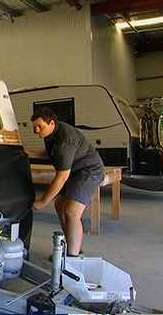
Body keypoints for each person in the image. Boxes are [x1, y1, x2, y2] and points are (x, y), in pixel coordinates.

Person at [28, 106, 106, 258]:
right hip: (74, 170)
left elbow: (62, 177)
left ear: (51, 123)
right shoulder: (53, 133)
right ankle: (73, 246)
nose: (37, 130)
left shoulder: (64, 141)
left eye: (40, 126)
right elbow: (51, 151)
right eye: (35, 127)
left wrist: (43, 201)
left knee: (71, 211)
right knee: (59, 204)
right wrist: (30, 153)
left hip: (88, 170)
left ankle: (72, 257)